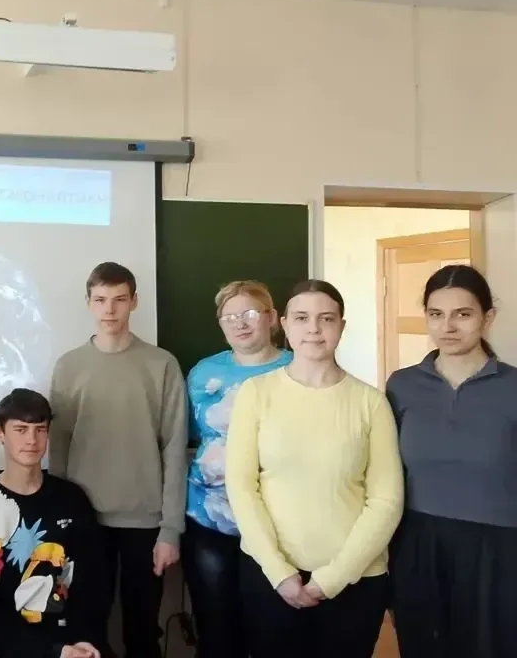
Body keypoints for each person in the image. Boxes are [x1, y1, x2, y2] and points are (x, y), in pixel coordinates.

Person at [225, 279, 404, 658]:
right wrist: (279, 572)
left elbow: (386, 500)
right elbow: (241, 488)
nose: (314, 329)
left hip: (355, 580)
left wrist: (331, 579)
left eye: (326, 318)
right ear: (284, 325)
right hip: (271, 578)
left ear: (341, 326)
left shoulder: (371, 402)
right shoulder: (256, 393)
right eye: (302, 318)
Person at [48, 262, 187, 658]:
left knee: (142, 631)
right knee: (88, 630)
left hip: (146, 523)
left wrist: (170, 530)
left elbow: (174, 448)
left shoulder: (161, 364)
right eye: (100, 300)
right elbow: (58, 449)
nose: (109, 310)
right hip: (85, 522)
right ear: (88, 303)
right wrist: (60, 524)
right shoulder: (69, 366)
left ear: (134, 302)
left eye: (119, 300)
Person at [387, 264, 517, 658]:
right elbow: (386, 472)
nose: (448, 326)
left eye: (463, 314)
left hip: (498, 548)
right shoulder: (402, 385)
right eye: (436, 314)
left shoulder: (513, 386)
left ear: (487, 317)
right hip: (416, 542)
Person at [0, 388, 111, 658]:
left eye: (40, 430)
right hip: (7, 650)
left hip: (74, 644)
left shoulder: (73, 499)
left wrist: (84, 641)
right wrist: (53, 652)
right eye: (21, 430)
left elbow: (93, 585)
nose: (32, 440)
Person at [183, 280, 292, 658]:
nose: (240, 324)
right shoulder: (202, 374)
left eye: (249, 314)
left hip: (278, 526)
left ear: (272, 318)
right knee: (215, 629)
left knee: (270, 631)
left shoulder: (297, 368)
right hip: (211, 522)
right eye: (229, 317)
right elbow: (191, 437)